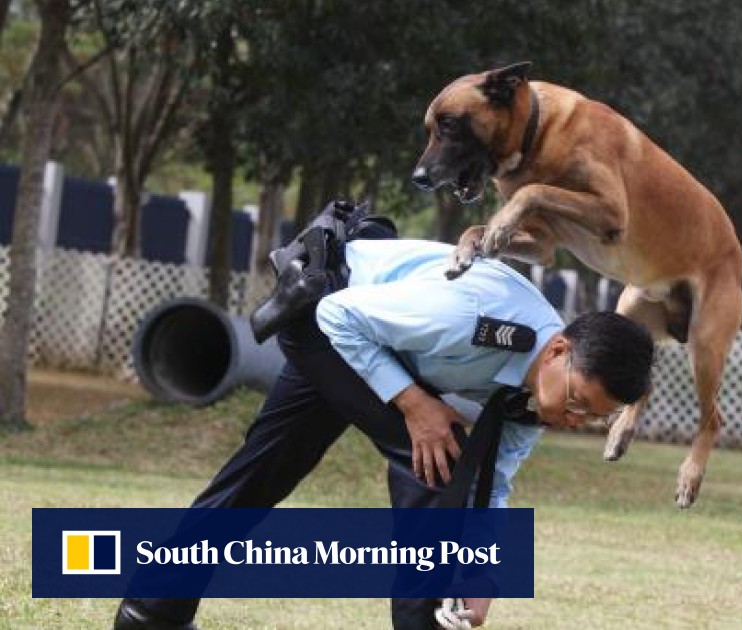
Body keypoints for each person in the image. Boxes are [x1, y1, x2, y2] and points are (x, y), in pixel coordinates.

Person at [113, 203, 655, 630]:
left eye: (591, 418)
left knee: (263, 471)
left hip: (369, 347)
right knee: (434, 464)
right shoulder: (473, 318)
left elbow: (493, 483)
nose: (572, 417)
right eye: (577, 401)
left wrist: (483, 578)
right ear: (559, 350)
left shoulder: (535, 391)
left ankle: (151, 611)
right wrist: (416, 407)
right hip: (325, 317)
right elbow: (335, 316)